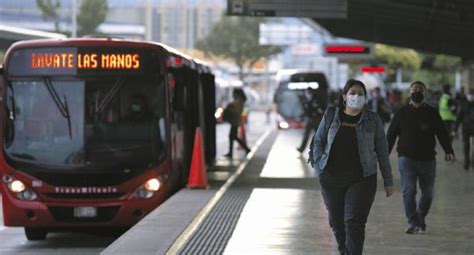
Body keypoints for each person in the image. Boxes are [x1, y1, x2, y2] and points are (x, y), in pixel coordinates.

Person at [311, 79, 394, 255]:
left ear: (366, 97)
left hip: (362, 179)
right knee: (337, 223)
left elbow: (382, 150)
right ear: (344, 97)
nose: (356, 97)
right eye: (353, 93)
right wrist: (319, 167)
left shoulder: (373, 119)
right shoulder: (331, 115)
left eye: (361, 94)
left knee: (354, 222)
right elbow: (318, 140)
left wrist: (388, 180)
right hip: (331, 179)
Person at [387, 81, 455, 235]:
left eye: (420, 90)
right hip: (406, 158)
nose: (417, 92)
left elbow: (442, 133)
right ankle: (414, 222)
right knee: (409, 190)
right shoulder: (401, 112)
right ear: (410, 92)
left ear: (425, 94)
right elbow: (391, 135)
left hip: (428, 159)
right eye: (414, 89)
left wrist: (448, 150)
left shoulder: (432, 112)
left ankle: (420, 217)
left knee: (428, 193)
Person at [223, 88, 251, 158]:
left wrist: (230, 107)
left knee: (232, 136)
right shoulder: (240, 100)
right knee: (232, 136)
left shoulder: (239, 101)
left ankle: (245, 149)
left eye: (234, 93)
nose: (233, 94)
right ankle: (244, 149)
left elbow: (236, 110)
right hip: (235, 120)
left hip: (235, 121)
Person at [297, 87, 324, 153]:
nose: (308, 94)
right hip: (309, 119)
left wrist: (317, 109)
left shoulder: (317, 99)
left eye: (309, 92)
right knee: (306, 135)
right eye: (307, 93)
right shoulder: (305, 101)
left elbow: (321, 109)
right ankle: (302, 148)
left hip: (316, 119)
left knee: (317, 135)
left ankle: (319, 149)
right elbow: (305, 111)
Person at [456, 89, 474, 170]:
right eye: (469, 94)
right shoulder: (463, 103)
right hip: (465, 128)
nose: (471, 96)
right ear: (467, 95)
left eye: (472, 94)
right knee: (466, 145)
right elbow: (459, 117)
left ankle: (473, 162)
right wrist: (455, 129)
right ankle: (466, 162)